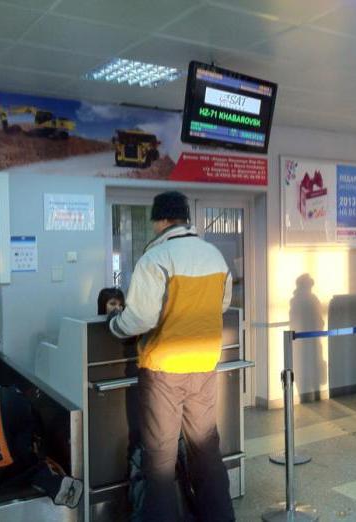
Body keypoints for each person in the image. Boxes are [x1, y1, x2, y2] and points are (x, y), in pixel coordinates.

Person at [108, 191, 234, 522]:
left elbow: (141, 319)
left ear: (161, 220)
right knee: (205, 450)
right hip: (204, 365)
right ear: (185, 219)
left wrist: (115, 324)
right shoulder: (214, 257)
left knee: (160, 461)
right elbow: (220, 306)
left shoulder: (156, 258)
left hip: (164, 368)